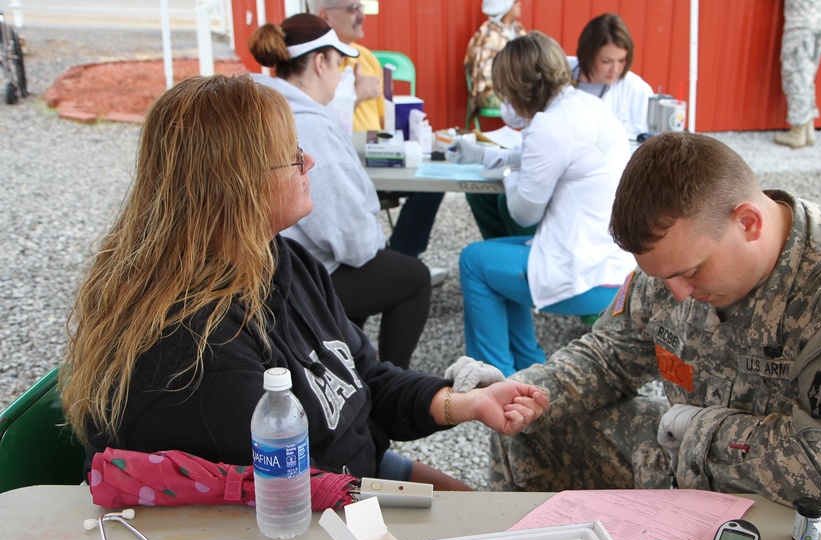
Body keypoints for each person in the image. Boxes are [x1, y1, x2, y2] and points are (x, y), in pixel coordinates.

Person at [60, 74, 550, 492]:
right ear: (237, 184)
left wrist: (461, 401)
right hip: (305, 508)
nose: (308, 163)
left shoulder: (282, 259)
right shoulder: (191, 344)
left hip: (350, 475)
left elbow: (362, 378)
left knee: (492, 518)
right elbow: (284, 499)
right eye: (291, 156)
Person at [488, 132, 821, 508]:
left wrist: (700, 431)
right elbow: (612, 354)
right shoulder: (678, 256)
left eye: (690, 273)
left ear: (748, 222)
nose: (677, 293)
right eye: (663, 276)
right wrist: (533, 393)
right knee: (529, 432)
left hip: (819, 517)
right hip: (704, 468)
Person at [248, 14, 429, 371]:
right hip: (295, 273)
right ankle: (388, 383)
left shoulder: (265, 108)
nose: (342, 73)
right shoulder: (310, 124)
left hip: (269, 259)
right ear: (320, 62)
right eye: (340, 63)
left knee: (368, 272)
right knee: (413, 277)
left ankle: (344, 361)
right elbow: (353, 240)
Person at [452, 32, 636, 377]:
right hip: (613, 262)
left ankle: (492, 379)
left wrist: (507, 171)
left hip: (587, 274)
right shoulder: (586, 105)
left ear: (519, 88)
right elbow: (547, 156)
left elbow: (524, 213)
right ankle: (529, 369)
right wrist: (486, 154)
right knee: (496, 259)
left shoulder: (548, 125)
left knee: (475, 261)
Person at [309, 0, 446, 274]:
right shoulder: (315, 64)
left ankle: (402, 257)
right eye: (352, 8)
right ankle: (395, 268)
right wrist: (356, 95)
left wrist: (420, 136)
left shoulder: (365, 57)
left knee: (435, 175)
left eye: (362, 6)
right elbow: (312, 124)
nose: (361, 14)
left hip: (376, 157)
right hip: (342, 167)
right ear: (326, 15)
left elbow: (387, 119)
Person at [568, 13, 654, 139]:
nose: (615, 69)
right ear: (587, 55)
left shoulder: (637, 90)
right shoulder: (560, 69)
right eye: (605, 61)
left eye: (621, 60)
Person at [775, 0, 821, 148]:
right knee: (807, 77)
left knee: (796, 76)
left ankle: (798, 131)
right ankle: (808, 129)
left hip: (802, 23)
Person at [464, 0, 526, 115]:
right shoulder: (488, 34)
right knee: (529, 100)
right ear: (505, 6)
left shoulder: (518, 30)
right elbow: (485, 75)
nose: (519, 4)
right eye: (515, 2)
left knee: (537, 96)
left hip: (516, 87)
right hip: (493, 91)